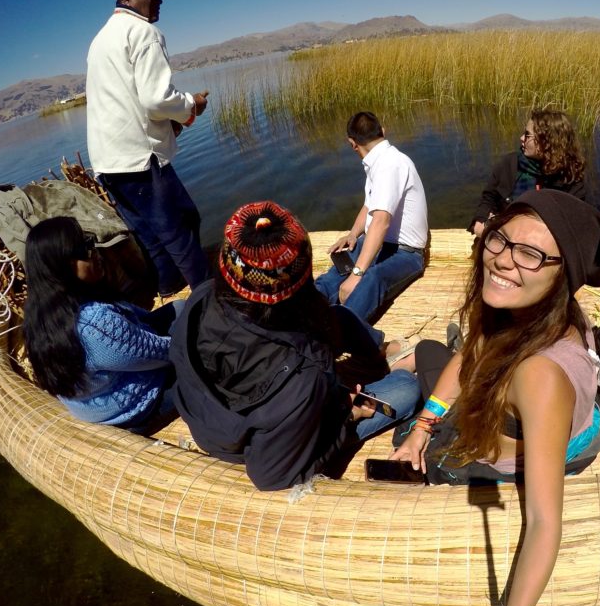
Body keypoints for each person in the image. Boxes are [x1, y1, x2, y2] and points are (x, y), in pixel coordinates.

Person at [391, 190, 600, 606]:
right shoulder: (531, 310)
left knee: (424, 358)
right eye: (500, 240)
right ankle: (409, 367)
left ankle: (396, 367)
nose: (502, 260)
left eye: (531, 254)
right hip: (541, 418)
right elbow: (469, 354)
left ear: (562, 273)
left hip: (497, 456)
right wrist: (423, 425)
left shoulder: (539, 377)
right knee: (436, 351)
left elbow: (543, 522)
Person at [170, 201, 421, 491]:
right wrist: (348, 417)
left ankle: (379, 353)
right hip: (245, 438)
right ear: (301, 283)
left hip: (222, 404)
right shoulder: (303, 379)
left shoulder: (202, 296)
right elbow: (271, 475)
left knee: (339, 317)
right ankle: (389, 368)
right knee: (406, 389)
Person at [86, 0, 210, 298]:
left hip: (107, 161)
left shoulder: (100, 40)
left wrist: (170, 122)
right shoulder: (143, 32)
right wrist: (191, 105)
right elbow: (155, 99)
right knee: (181, 226)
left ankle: (170, 287)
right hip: (139, 159)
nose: (158, 1)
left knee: (148, 233)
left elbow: (126, 100)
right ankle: (207, 298)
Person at [22, 217, 178, 434]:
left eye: (89, 242)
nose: (94, 251)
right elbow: (168, 353)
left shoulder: (44, 312)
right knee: (201, 354)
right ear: (62, 266)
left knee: (180, 310)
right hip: (134, 407)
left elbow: (140, 321)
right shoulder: (92, 325)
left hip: (98, 398)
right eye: (83, 249)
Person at [315, 111, 429, 322]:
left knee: (370, 280)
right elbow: (370, 205)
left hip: (406, 253)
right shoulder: (377, 161)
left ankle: (337, 332)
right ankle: (305, 312)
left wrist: (356, 275)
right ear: (382, 131)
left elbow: (381, 221)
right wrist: (352, 234)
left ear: (352, 143)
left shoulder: (390, 164)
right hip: (377, 242)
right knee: (334, 275)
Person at [468, 108, 587, 236]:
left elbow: (572, 223)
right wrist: (480, 220)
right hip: (505, 234)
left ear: (547, 142)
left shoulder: (570, 178)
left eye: (527, 135)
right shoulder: (509, 164)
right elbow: (489, 197)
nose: (521, 138)